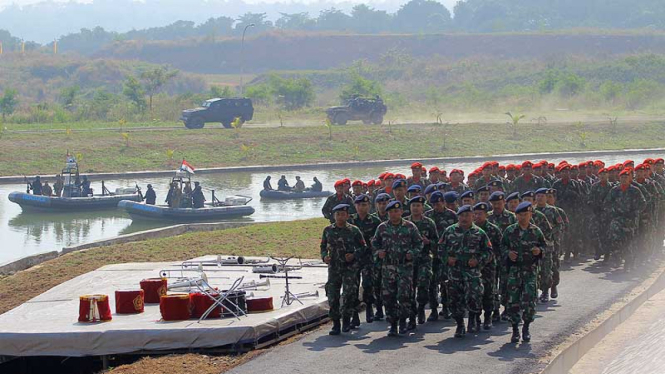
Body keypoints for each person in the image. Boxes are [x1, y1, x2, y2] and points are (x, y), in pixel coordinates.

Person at [439, 204, 492, 337]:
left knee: (474, 296)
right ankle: (460, 324)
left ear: (472, 216)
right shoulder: (449, 231)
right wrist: (447, 258)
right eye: (462, 215)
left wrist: (478, 261)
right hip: (454, 271)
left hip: (472, 272)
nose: (464, 218)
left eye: (467, 215)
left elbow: (489, 252)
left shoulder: (479, 233)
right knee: (455, 299)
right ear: (458, 217)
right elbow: (440, 249)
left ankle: (473, 319)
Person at [372, 200, 423, 337]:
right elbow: (374, 244)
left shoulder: (410, 227)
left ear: (401, 212)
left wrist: (412, 254)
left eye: (396, 211)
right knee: (388, 297)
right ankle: (392, 323)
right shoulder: (382, 228)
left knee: (404, 295)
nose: (393, 214)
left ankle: (403, 321)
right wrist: (378, 252)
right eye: (391, 212)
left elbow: (419, 244)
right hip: (388, 267)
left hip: (404, 267)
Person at [502, 201, 546, 343]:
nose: (523, 217)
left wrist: (540, 251)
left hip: (530, 270)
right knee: (513, 300)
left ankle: (526, 327)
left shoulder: (536, 231)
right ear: (516, 216)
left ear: (530, 214)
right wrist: (508, 253)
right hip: (514, 270)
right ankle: (515, 329)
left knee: (529, 299)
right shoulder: (510, 231)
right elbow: (501, 247)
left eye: (526, 214)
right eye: (520, 215)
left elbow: (545, 247)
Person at [321, 204, 366, 335]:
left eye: (343, 214)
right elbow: (323, 246)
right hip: (334, 268)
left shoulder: (354, 230)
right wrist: (324, 257)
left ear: (347, 216)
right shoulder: (328, 230)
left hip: (349, 268)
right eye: (337, 214)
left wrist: (353, 255)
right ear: (334, 216)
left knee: (349, 295)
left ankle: (346, 320)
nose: (340, 217)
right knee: (332, 296)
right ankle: (335, 323)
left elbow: (363, 247)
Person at [406, 195, 439, 328]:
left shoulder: (429, 223)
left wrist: (429, 242)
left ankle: (421, 307)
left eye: (418, 206)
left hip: (425, 259)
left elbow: (437, 242)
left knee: (424, 285)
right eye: (413, 206)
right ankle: (412, 315)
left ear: (423, 207)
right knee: (409, 289)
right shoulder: (405, 223)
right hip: (409, 261)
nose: (415, 208)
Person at [349, 194, 382, 325]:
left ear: (369, 206)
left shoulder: (375, 221)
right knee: (353, 286)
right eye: (359, 205)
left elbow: (380, 239)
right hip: (354, 258)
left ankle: (369, 307)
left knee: (368, 284)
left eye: (365, 205)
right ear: (355, 206)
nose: (362, 208)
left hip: (369, 257)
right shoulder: (350, 221)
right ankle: (354, 314)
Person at [472, 202, 503, 330]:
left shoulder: (493, 229)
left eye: (481, 214)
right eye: (476, 214)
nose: (478, 216)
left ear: (486, 215)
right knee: (476, 292)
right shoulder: (470, 229)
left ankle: (489, 316)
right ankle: (476, 317)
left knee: (489, 291)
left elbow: (500, 247)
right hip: (474, 267)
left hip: (489, 266)